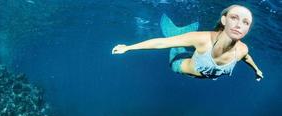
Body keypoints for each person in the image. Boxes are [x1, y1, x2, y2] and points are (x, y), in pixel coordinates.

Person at [112, 5, 264, 81]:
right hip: (178, 64)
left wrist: (256, 70)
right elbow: (162, 43)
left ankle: (185, 40)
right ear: (224, 20)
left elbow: (246, 57)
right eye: (234, 18)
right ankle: (177, 33)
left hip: (199, 63)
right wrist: (128, 48)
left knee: (191, 46)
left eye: (245, 22)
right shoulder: (202, 39)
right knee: (175, 42)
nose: (239, 25)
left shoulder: (242, 49)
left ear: (248, 28)